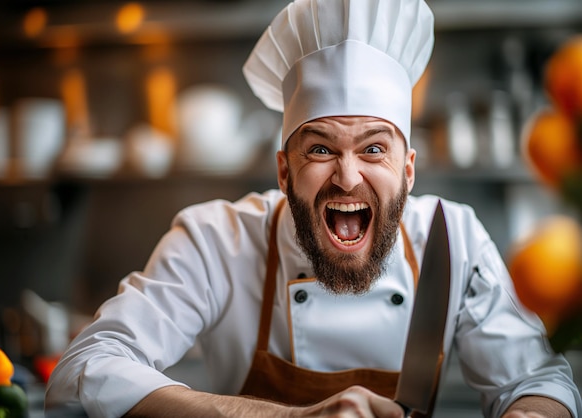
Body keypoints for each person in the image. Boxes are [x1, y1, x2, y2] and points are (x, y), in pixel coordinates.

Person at [45, 0, 582, 417]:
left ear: (409, 171)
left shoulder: (452, 238)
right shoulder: (215, 240)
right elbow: (83, 371)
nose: (347, 177)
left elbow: (536, 383)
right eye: (321, 149)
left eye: (374, 149)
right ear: (284, 171)